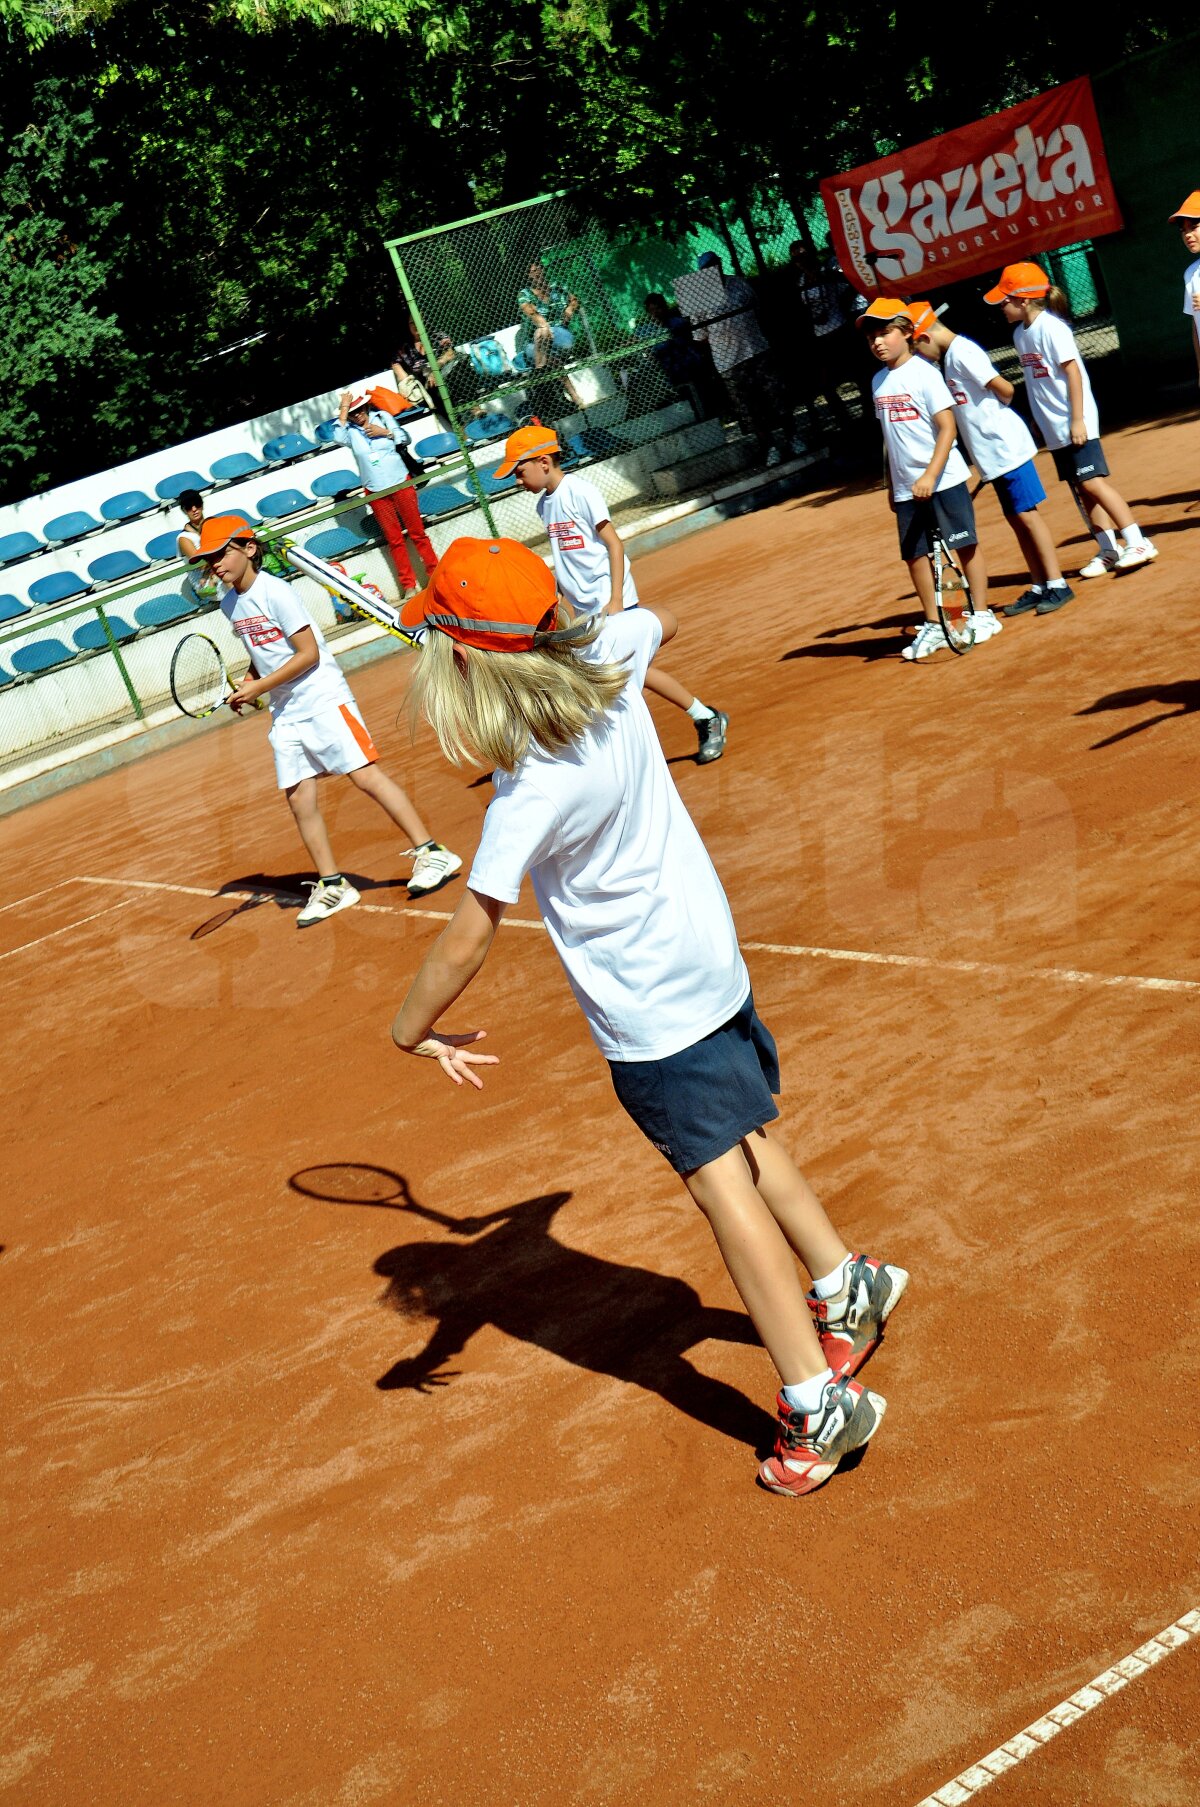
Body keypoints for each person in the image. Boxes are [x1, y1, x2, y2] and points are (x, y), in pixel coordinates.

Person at [389, 535, 908, 1497]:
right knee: (750, 1134)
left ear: (464, 667)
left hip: (652, 1013)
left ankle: (816, 1401)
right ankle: (846, 1281)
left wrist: (409, 1027)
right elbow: (659, 617)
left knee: (722, 1188)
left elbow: (466, 938)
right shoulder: (616, 663)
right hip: (713, 964)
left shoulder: (525, 795)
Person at [187, 514, 462, 919]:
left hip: (323, 698)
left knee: (365, 776)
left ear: (248, 548)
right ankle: (333, 884)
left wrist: (258, 688)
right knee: (298, 798)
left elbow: (308, 653)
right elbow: (262, 653)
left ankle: (432, 852)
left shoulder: (275, 592)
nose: (215, 565)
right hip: (287, 712)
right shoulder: (230, 603)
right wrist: (250, 680)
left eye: (221, 554)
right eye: (209, 559)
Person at [493, 422, 728, 763]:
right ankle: (704, 717)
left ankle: (696, 721)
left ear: (544, 463)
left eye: (519, 471)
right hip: (586, 610)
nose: (517, 481)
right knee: (628, 672)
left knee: (618, 675)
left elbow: (614, 546)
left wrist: (615, 599)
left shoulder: (581, 492)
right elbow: (566, 557)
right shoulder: (544, 506)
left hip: (612, 602)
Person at [984, 263, 1157, 578]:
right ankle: (1108, 548)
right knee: (1081, 488)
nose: (1001, 306)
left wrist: (1078, 420)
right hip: (1053, 426)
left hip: (1075, 421)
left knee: (1093, 482)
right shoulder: (1020, 335)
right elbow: (1038, 382)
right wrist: (1039, 420)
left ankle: (1137, 541)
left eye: (1005, 300)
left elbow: (1074, 373)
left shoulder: (1052, 328)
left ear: (1023, 300)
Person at [907, 301, 1074, 619]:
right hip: (992, 456)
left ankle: (1058, 583)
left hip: (1007, 448)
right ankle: (1039, 585)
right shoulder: (947, 359)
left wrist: (991, 422)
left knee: (1027, 516)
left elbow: (1006, 389)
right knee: (1016, 519)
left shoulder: (963, 353)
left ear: (925, 338)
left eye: (916, 349)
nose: (919, 357)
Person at [858, 297, 997, 662]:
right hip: (906, 487)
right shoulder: (877, 381)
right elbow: (890, 440)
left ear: (906, 332)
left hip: (944, 479)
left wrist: (931, 475)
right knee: (915, 556)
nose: (878, 342)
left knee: (964, 544)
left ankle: (982, 615)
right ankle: (935, 624)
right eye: (872, 336)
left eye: (885, 333)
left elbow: (948, 427)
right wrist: (892, 485)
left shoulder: (925, 373)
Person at [688, 252, 804, 467]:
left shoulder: (738, 283)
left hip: (756, 349)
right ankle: (770, 447)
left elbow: (757, 308)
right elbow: (699, 336)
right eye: (707, 267)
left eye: (716, 264)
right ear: (701, 272)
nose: (713, 269)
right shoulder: (698, 295)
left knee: (776, 394)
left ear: (720, 264)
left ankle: (793, 437)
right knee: (749, 407)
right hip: (728, 361)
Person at [334, 390, 439, 600]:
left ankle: (435, 575)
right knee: (394, 540)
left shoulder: (382, 417)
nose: (357, 415)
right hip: (375, 489)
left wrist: (385, 433)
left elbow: (403, 437)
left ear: (366, 407)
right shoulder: (350, 432)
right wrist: (344, 408)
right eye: (352, 412)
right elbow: (336, 436)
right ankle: (408, 585)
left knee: (417, 532)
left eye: (358, 410)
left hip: (400, 480)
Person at [789, 241, 871, 429]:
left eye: (803, 255)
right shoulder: (802, 281)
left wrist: (839, 302)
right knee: (825, 383)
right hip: (822, 336)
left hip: (840, 328)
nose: (801, 261)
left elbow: (848, 286)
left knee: (859, 374)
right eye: (796, 258)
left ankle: (869, 412)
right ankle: (844, 420)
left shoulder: (827, 271)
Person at [641, 292, 726, 421]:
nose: (656, 313)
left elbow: (689, 343)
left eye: (658, 308)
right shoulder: (650, 332)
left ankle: (715, 417)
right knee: (688, 402)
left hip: (690, 366)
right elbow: (655, 352)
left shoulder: (678, 323)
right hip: (672, 373)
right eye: (651, 310)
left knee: (704, 396)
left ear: (664, 307)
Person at [1167, 192, 1200, 386]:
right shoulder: (1191, 274)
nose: (1187, 234)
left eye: (1194, 226)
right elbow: (1196, 327)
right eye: (1183, 229)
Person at [176, 489, 220, 608]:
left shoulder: (213, 523)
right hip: (206, 583)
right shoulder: (184, 538)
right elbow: (201, 565)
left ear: (202, 504)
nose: (194, 509)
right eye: (189, 507)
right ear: (184, 510)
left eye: (197, 503)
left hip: (222, 570)